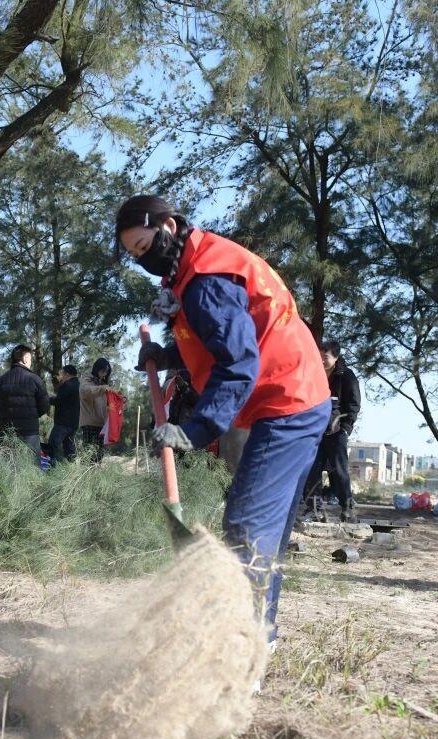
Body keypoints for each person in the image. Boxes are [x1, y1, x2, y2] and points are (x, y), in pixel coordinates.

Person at [116, 194, 330, 646]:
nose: (143, 260)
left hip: (287, 400)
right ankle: (260, 637)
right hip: (295, 395)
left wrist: (194, 430)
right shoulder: (196, 264)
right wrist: (168, 354)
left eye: (143, 245)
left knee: (247, 527)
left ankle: (242, 646)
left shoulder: (205, 278)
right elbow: (215, 337)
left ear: (168, 227)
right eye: (134, 254)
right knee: (262, 534)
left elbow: (237, 362)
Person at [303, 339, 361, 522]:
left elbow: (353, 404)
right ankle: (314, 510)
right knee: (312, 471)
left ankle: (347, 509)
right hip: (314, 432)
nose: (321, 360)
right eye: (318, 356)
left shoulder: (347, 376)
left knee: (339, 471)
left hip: (336, 432)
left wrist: (345, 428)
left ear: (335, 357)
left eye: (325, 357)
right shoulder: (312, 374)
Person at [0, 344, 49, 458]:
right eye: (30, 359)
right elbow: (45, 405)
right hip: (29, 431)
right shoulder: (35, 379)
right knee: (31, 468)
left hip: (6, 431)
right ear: (25, 358)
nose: (31, 362)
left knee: (9, 467)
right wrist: (32, 415)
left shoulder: (0, 381)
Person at [79, 358, 112, 457]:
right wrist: (102, 389)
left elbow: (109, 404)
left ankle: (97, 472)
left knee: (99, 455)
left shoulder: (103, 384)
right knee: (89, 455)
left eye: (106, 372)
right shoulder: (86, 379)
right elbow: (85, 391)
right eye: (103, 371)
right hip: (89, 423)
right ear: (96, 369)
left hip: (102, 425)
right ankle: (87, 473)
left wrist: (119, 399)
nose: (104, 374)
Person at [48, 365, 80, 464]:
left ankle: (54, 469)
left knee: (53, 444)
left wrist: (48, 399)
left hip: (63, 422)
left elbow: (59, 401)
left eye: (62, 373)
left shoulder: (67, 385)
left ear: (66, 374)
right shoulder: (78, 385)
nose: (60, 376)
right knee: (69, 448)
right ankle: (72, 471)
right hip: (74, 422)